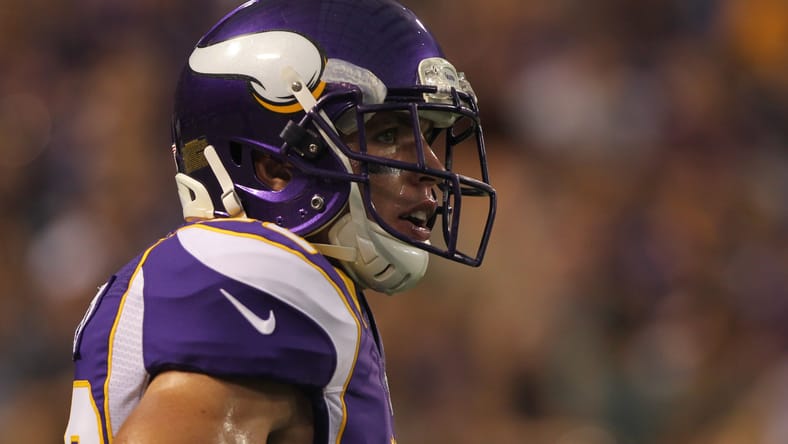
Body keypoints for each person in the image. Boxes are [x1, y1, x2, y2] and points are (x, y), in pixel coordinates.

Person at [63, 0, 496, 442]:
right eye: (386, 135)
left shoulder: (257, 274)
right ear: (276, 169)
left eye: (427, 135)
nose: (429, 165)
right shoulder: (254, 271)